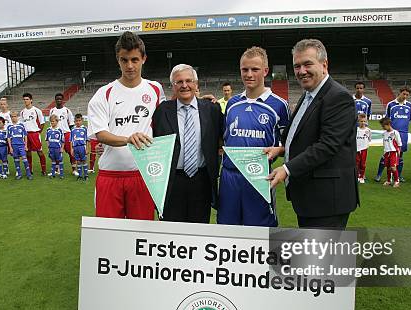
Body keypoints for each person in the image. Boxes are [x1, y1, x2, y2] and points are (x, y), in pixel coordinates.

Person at [267, 39, 359, 228]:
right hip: (311, 198)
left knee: (322, 257)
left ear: (324, 65)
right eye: (297, 66)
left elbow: (327, 145)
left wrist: (286, 169)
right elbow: (307, 137)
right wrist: (282, 149)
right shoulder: (310, 94)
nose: (301, 71)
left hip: (327, 201)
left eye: (307, 64)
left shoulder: (337, 97)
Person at [87, 31, 166, 219]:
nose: (129, 66)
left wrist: (198, 102)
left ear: (144, 59)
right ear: (118, 59)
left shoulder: (155, 89)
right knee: (109, 235)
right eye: (124, 60)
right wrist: (127, 139)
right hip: (110, 174)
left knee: (141, 235)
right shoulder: (104, 93)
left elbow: (167, 118)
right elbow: (100, 134)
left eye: (134, 60)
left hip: (143, 175)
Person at [218, 47, 289, 227]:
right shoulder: (233, 103)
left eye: (255, 69)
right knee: (227, 230)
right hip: (229, 177)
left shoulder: (279, 105)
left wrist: (279, 150)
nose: (249, 74)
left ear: (265, 71)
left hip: (259, 178)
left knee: (260, 233)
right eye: (245, 69)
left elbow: (290, 145)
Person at [152, 64, 224, 223]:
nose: (184, 85)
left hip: (202, 181)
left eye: (188, 80)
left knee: (198, 232)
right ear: (173, 86)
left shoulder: (211, 110)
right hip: (171, 183)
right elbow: (150, 140)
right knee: (171, 234)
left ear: (196, 84)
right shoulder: (162, 111)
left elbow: (223, 137)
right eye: (179, 82)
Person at [375, 87, 411, 182]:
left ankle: (398, 175)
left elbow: (410, 119)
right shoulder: (391, 104)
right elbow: (387, 119)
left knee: (400, 155)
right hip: (392, 133)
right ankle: (379, 174)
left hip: (403, 133)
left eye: (407, 95)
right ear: (399, 93)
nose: (405, 96)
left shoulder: (409, 105)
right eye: (403, 94)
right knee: (386, 154)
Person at [20, 92, 47, 176]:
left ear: (31, 100)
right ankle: (30, 170)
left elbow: (42, 123)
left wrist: (38, 132)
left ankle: (44, 169)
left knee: (40, 151)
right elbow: (21, 125)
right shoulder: (22, 112)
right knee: (28, 152)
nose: (25, 101)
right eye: (24, 99)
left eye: (27, 99)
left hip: (35, 134)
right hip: (26, 135)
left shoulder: (36, 110)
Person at [49, 93, 76, 175]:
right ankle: (57, 170)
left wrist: (72, 136)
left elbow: (71, 124)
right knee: (56, 152)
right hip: (56, 135)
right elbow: (51, 123)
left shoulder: (67, 110)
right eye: (57, 99)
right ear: (55, 100)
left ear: (63, 100)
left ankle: (74, 169)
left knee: (71, 152)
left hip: (66, 133)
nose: (59, 100)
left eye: (60, 99)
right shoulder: (52, 111)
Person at [7, 111, 32, 180]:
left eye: (15, 116)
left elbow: (25, 136)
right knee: (16, 160)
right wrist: (10, 147)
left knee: (24, 159)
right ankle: (19, 174)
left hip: (21, 145)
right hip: (14, 146)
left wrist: (26, 145)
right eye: (12, 117)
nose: (13, 118)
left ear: (17, 117)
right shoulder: (9, 126)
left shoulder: (21, 125)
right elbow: (8, 138)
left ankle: (28, 174)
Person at [379, 117, 402, 187]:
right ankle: (389, 180)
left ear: (389, 124)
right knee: (388, 167)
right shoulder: (384, 133)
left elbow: (399, 143)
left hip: (393, 152)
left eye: (383, 126)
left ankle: (396, 181)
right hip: (387, 152)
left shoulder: (395, 132)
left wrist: (398, 152)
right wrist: (384, 152)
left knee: (393, 167)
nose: (383, 127)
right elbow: (384, 143)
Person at [70, 114, 89, 180]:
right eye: (76, 121)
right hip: (75, 147)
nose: (78, 122)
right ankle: (80, 176)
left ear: (82, 120)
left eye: (79, 120)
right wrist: (71, 149)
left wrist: (87, 149)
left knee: (84, 161)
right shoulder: (73, 129)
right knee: (78, 161)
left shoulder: (84, 129)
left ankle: (86, 175)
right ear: (74, 121)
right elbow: (71, 140)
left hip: (82, 147)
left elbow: (87, 140)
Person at [355, 113, 371, 183]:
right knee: (357, 163)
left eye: (364, 121)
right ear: (358, 121)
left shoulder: (368, 130)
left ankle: (362, 176)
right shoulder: (356, 129)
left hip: (364, 149)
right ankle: (357, 176)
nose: (363, 123)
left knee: (363, 164)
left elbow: (369, 139)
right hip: (356, 149)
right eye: (361, 121)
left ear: (366, 121)